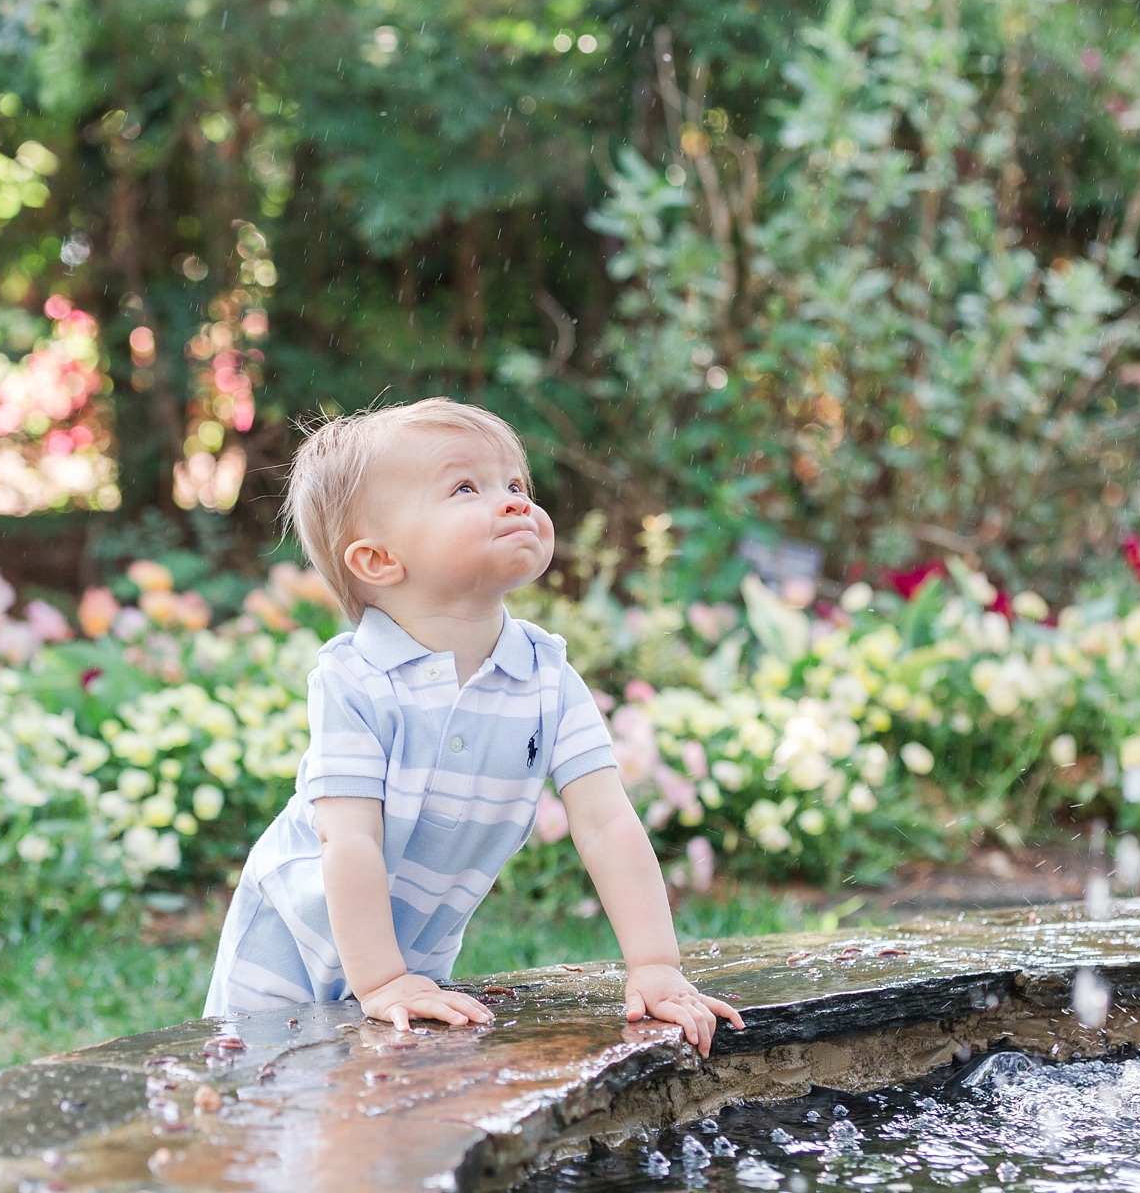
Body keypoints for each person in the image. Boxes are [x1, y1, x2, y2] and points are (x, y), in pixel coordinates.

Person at [203, 399, 744, 1055]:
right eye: (466, 488)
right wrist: (383, 981)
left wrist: (656, 966)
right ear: (377, 561)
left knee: (396, 1108)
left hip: (415, 961)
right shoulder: (357, 678)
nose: (514, 501)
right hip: (287, 956)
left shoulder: (546, 676)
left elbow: (607, 823)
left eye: (516, 485)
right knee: (272, 1111)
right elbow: (348, 840)